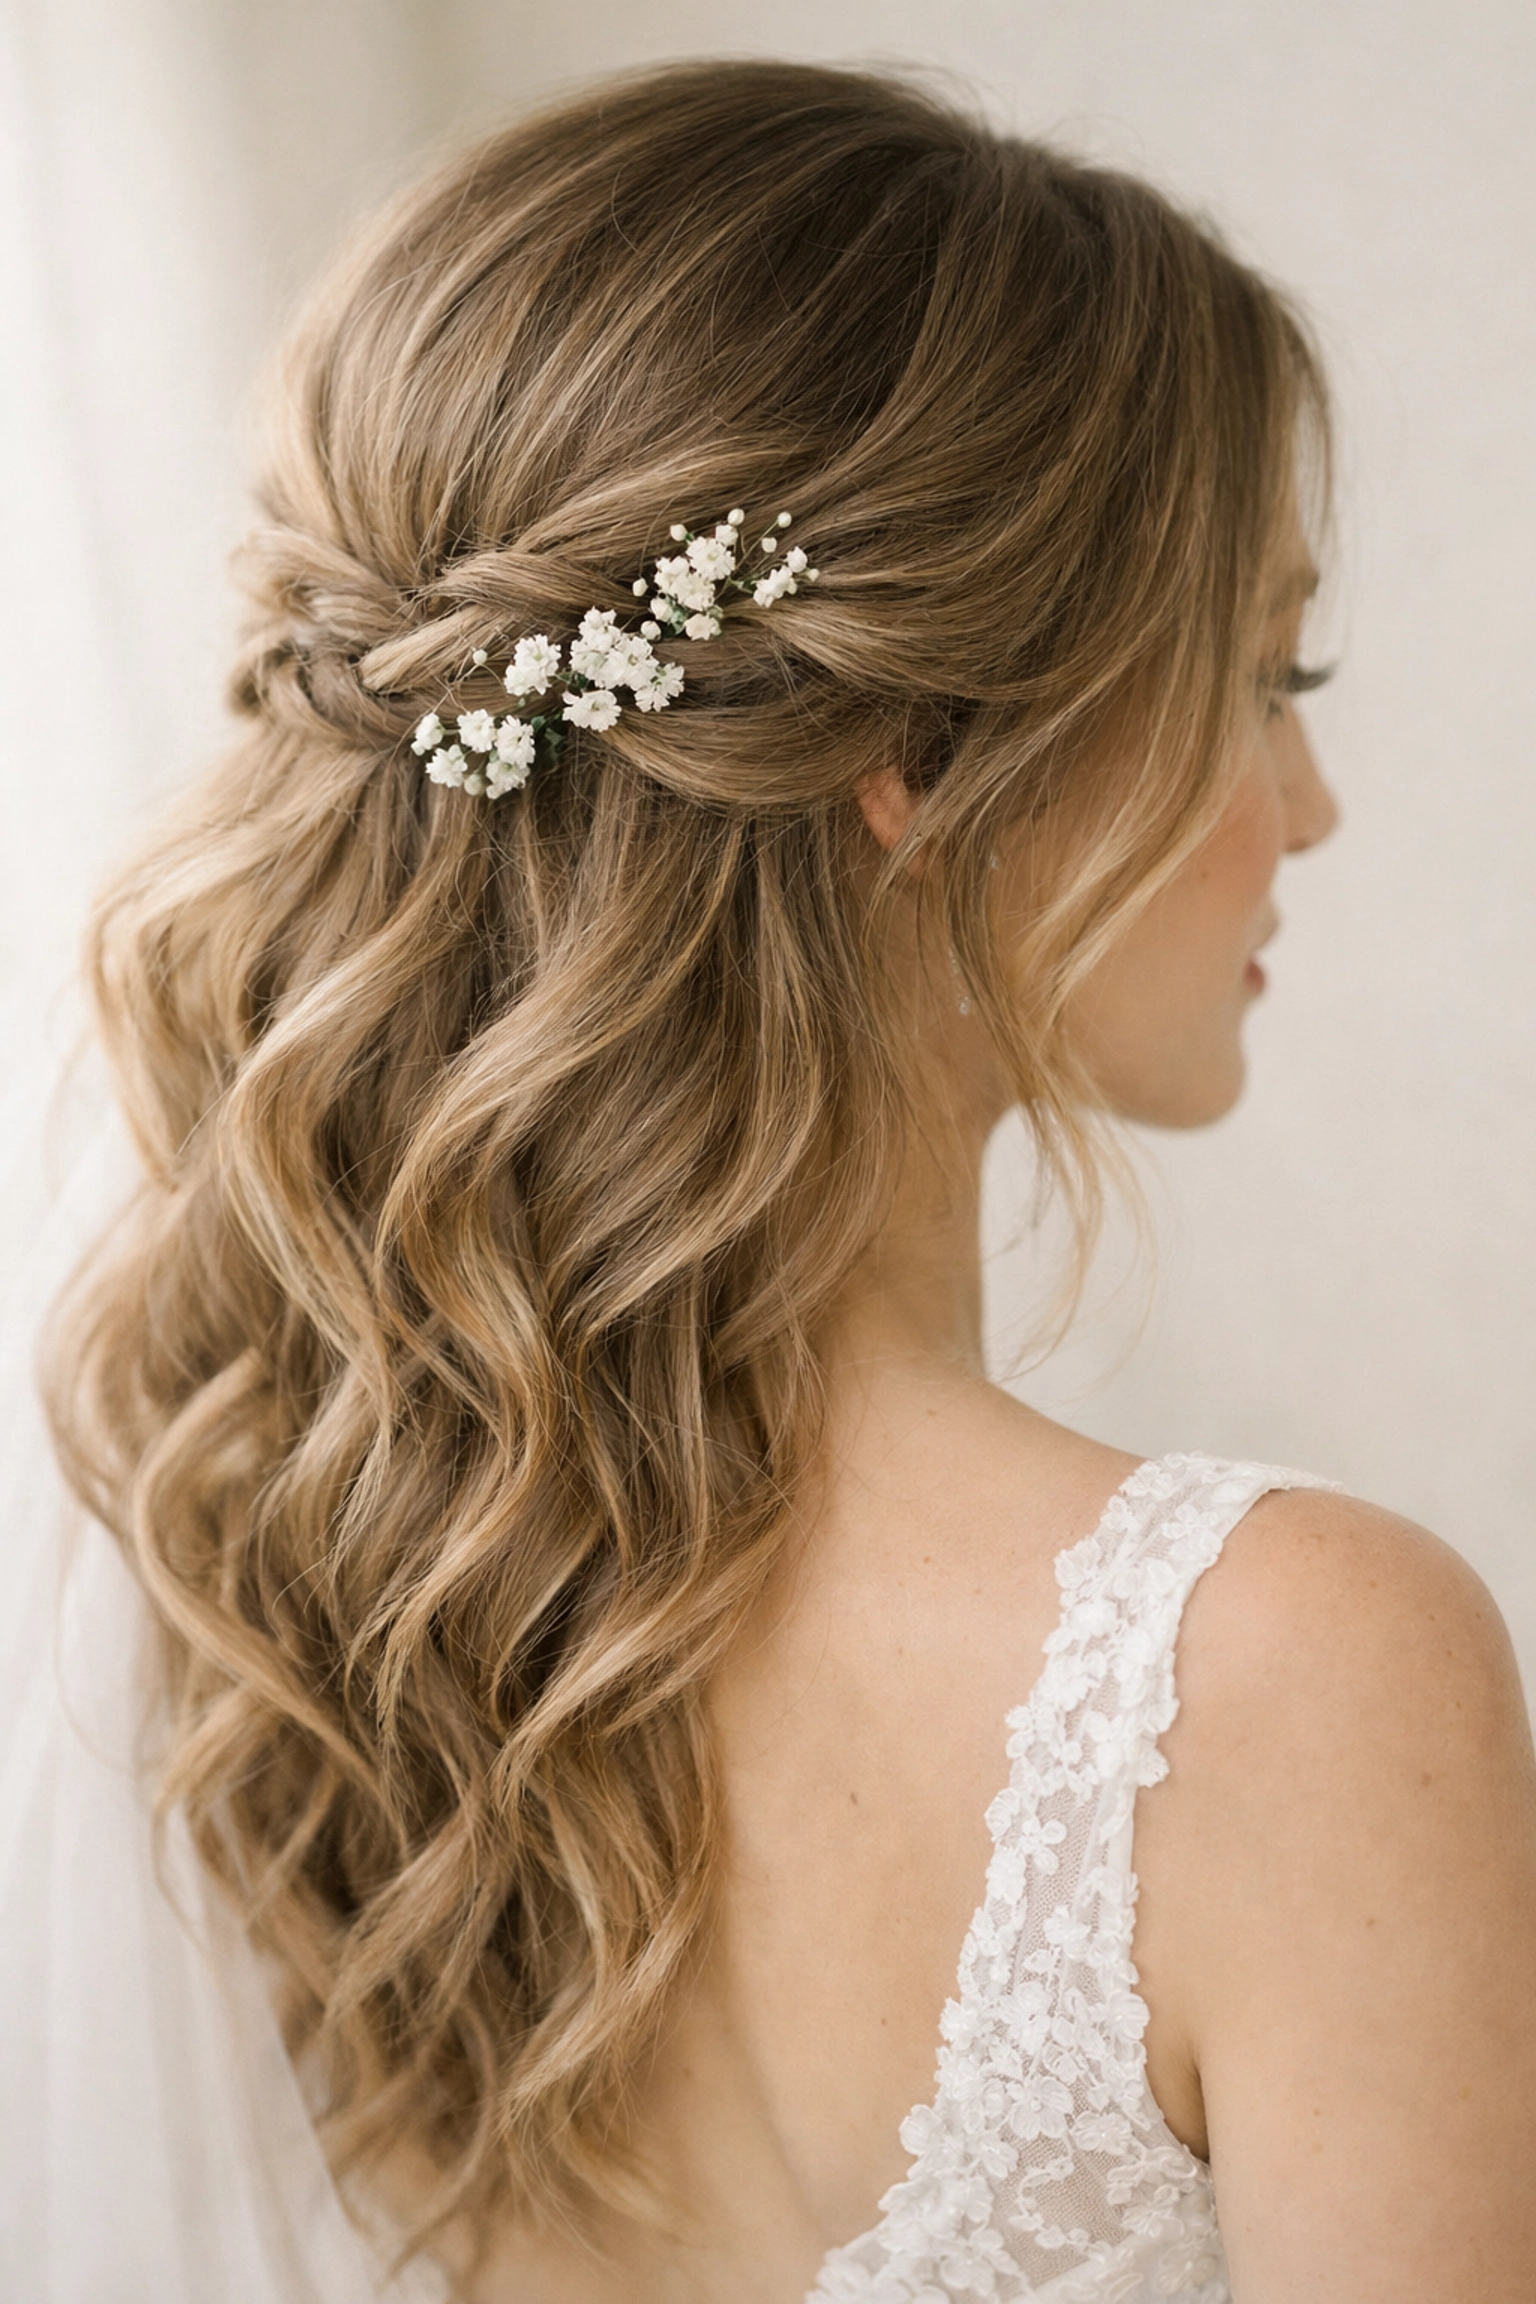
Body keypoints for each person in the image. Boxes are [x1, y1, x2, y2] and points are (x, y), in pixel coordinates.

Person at [20, 53, 1536, 2304]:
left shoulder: (266, 1567)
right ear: (911, 756)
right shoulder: (1286, 1673)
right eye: (1258, 669)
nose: (1301, 806)